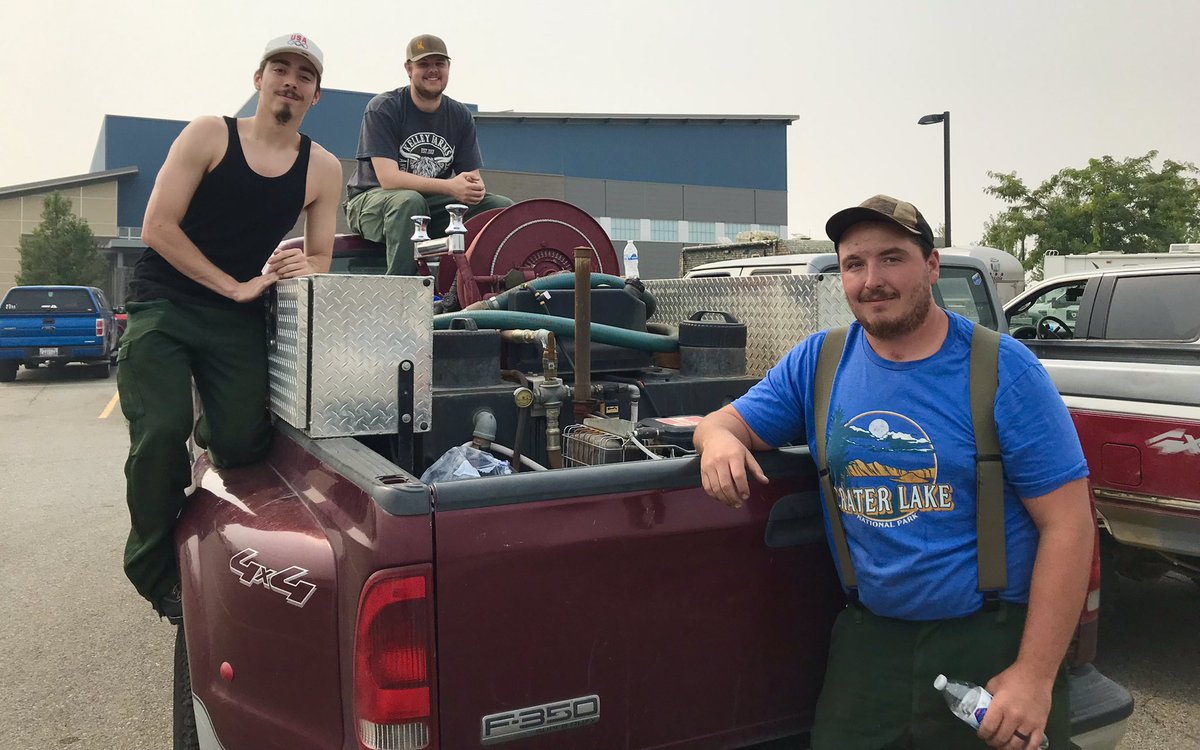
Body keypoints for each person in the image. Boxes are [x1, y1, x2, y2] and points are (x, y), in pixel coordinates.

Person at [694, 195, 1094, 749]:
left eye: (892, 258)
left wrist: (1034, 676)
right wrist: (716, 440)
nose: (871, 279)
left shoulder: (1003, 367)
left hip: (989, 639)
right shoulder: (819, 362)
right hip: (869, 642)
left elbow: (1069, 526)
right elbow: (727, 421)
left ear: (931, 266)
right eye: (854, 264)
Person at [118, 33, 343, 624]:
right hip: (163, 304)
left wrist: (302, 263)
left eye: (303, 74)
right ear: (258, 79)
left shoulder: (321, 168)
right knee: (161, 432)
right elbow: (157, 227)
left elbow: (320, 255)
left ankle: (208, 425)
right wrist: (233, 285)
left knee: (244, 445)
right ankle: (154, 571)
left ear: (316, 95)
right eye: (280, 68)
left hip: (235, 319)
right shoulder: (209, 134)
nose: (290, 81)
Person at [344, 33, 513, 276]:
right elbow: (388, 179)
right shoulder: (384, 107)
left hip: (428, 204)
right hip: (372, 201)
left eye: (439, 64)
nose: (432, 70)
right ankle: (401, 295)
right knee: (410, 202)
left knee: (500, 207)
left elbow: (471, 180)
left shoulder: (459, 115)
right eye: (423, 64)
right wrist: (451, 188)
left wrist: (472, 188)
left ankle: (483, 287)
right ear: (408, 69)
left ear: (448, 68)